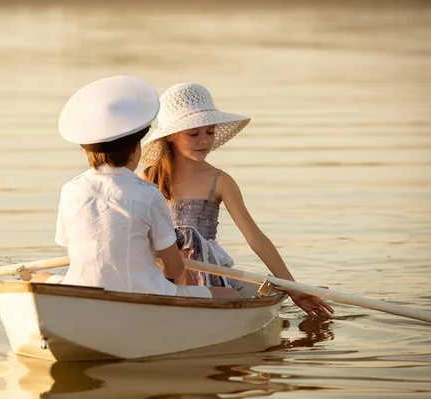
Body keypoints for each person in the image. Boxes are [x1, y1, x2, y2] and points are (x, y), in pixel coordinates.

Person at [26, 76, 240, 299]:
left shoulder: (71, 190)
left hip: (81, 289)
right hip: (145, 292)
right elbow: (175, 270)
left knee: (36, 278)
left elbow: (73, 253)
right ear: (135, 150)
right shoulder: (148, 194)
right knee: (232, 296)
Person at [141, 82, 334, 318]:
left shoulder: (220, 181)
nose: (204, 140)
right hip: (162, 268)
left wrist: (293, 288)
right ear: (171, 137)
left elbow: (255, 238)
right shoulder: (150, 177)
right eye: (193, 133)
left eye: (210, 132)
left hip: (204, 271)